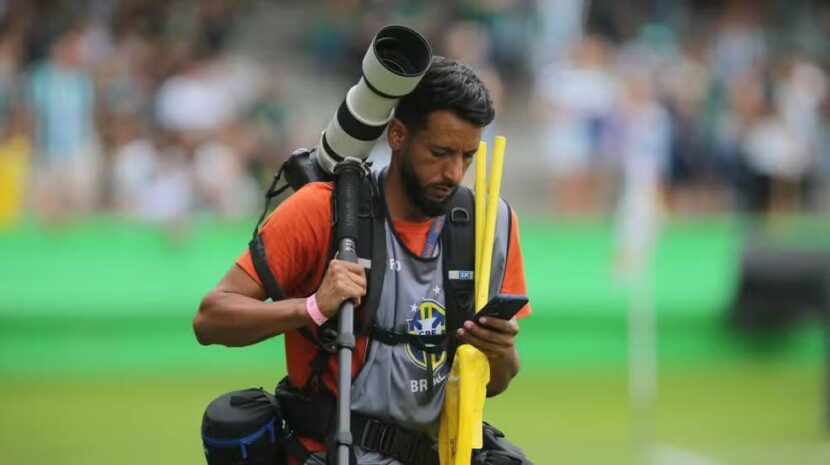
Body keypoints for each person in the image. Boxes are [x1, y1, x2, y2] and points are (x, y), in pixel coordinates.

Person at [194, 56, 531, 465]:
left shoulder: (490, 224)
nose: (454, 172)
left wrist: (499, 350)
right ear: (398, 135)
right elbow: (211, 319)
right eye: (440, 152)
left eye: (467, 156)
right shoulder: (323, 211)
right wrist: (312, 307)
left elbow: (497, 382)